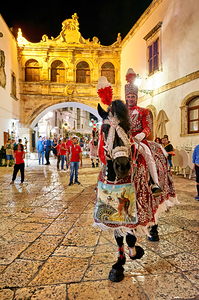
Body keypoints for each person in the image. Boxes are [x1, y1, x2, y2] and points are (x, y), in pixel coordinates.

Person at [125, 68, 162, 196]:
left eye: (132, 97)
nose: (130, 99)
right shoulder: (121, 111)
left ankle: (155, 183)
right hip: (124, 138)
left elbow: (148, 126)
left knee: (147, 154)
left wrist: (141, 135)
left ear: (136, 97)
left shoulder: (144, 111)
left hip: (138, 139)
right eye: (128, 97)